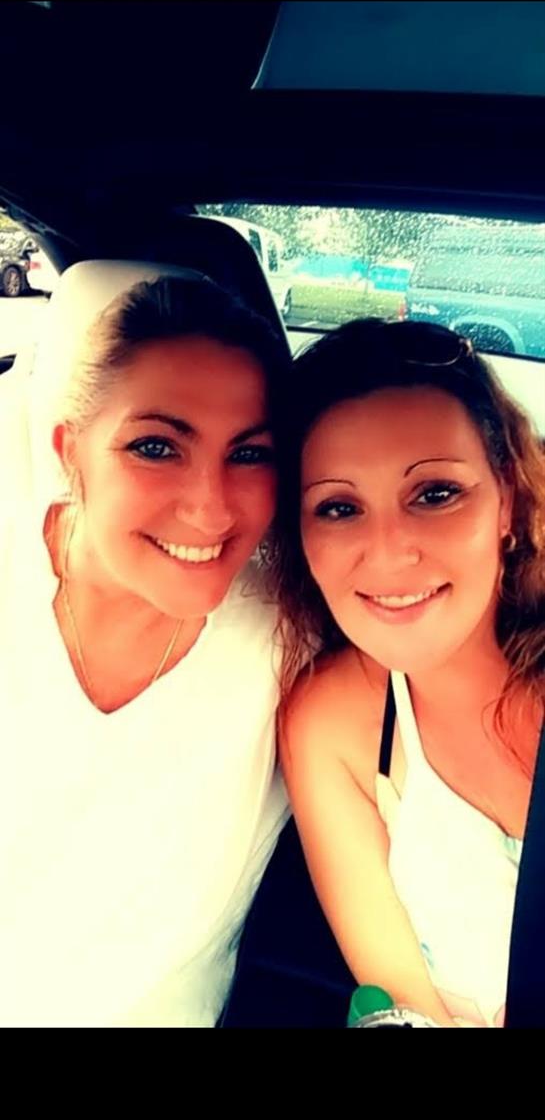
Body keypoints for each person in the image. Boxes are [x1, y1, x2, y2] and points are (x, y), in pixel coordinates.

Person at [227, 317, 544, 1029]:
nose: (388, 550)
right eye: (338, 506)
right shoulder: (333, 725)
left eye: (434, 493)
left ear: (509, 503)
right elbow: (407, 1009)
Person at [0, 260, 292, 1027]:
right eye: (157, 447)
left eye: (250, 453)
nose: (209, 507)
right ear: (70, 452)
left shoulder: (298, 626)